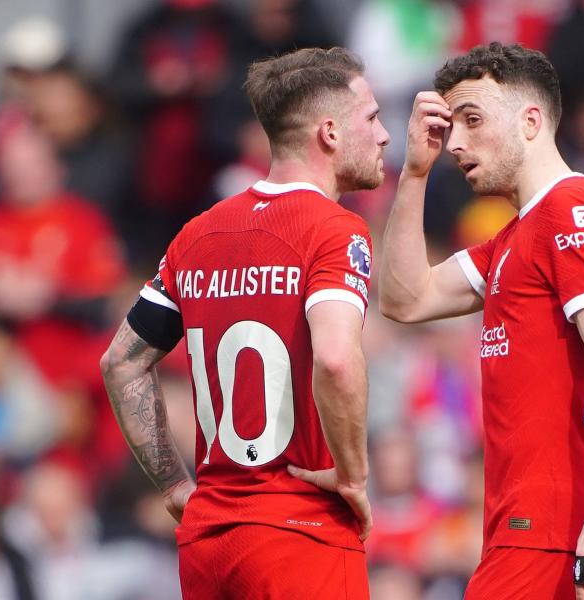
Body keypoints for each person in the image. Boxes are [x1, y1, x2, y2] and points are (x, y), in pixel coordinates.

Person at [99, 46, 389, 599]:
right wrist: (351, 475)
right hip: (300, 533)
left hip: (209, 540)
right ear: (329, 132)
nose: (382, 136)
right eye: (372, 118)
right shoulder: (334, 230)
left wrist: (175, 484)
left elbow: (121, 363)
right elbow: (334, 357)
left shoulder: (197, 234)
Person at [378, 42, 584, 600]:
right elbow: (404, 299)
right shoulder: (513, 238)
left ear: (530, 120)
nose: (457, 143)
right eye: (452, 126)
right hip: (521, 531)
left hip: (559, 534)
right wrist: (414, 175)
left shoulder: (574, 209)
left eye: (472, 120)